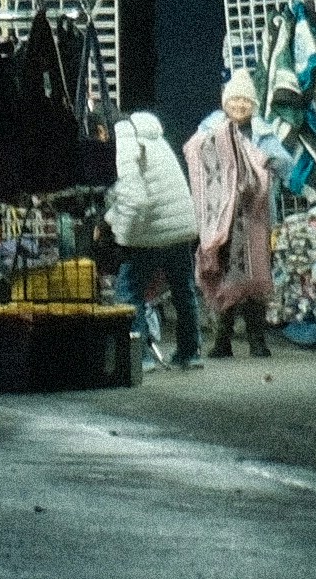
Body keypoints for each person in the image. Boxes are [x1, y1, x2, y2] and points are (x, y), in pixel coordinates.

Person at [106, 105, 208, 369]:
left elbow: (134, 198)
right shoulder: (154, 137)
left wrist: (121, 235)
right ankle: (190, 352)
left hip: (151, 231)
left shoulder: (125, 142)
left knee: (128, 293)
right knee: (183, 290)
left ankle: (141, 358)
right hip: (179, 227)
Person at [188, 74, 279, 358]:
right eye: (235, 99)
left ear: (252, 103)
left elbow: (281, 161)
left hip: (253, 215)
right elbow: (197, 154)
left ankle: (256, 339)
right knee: (224, 272)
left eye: (245, 100)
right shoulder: (210, 128)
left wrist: (259, 166)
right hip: (223, 219)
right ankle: (222, 340)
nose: (240, 105)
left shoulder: (264, 132)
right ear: (225, 102)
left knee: (253, 274)